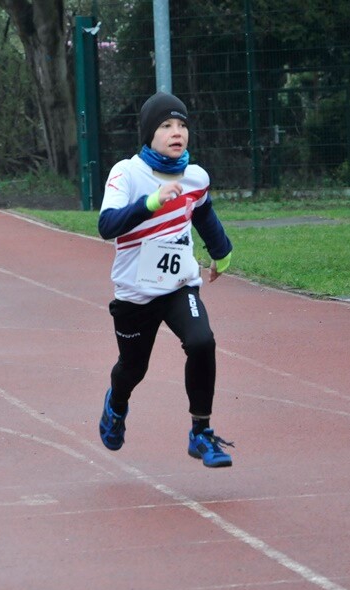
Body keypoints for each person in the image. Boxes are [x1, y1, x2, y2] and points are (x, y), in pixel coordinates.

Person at [96, 92, 235, 468]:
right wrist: (152, 203)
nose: (177, 132)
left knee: (202, 341)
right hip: (135, 294)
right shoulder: (126, 173)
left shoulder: (195, 177)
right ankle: (117, 405)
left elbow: (204, 214)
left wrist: (222, 253)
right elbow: (106, 226)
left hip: (178, 286)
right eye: (166, 126)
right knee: (132, 369)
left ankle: (201, 433)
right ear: (148, 134)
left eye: (182, 125)